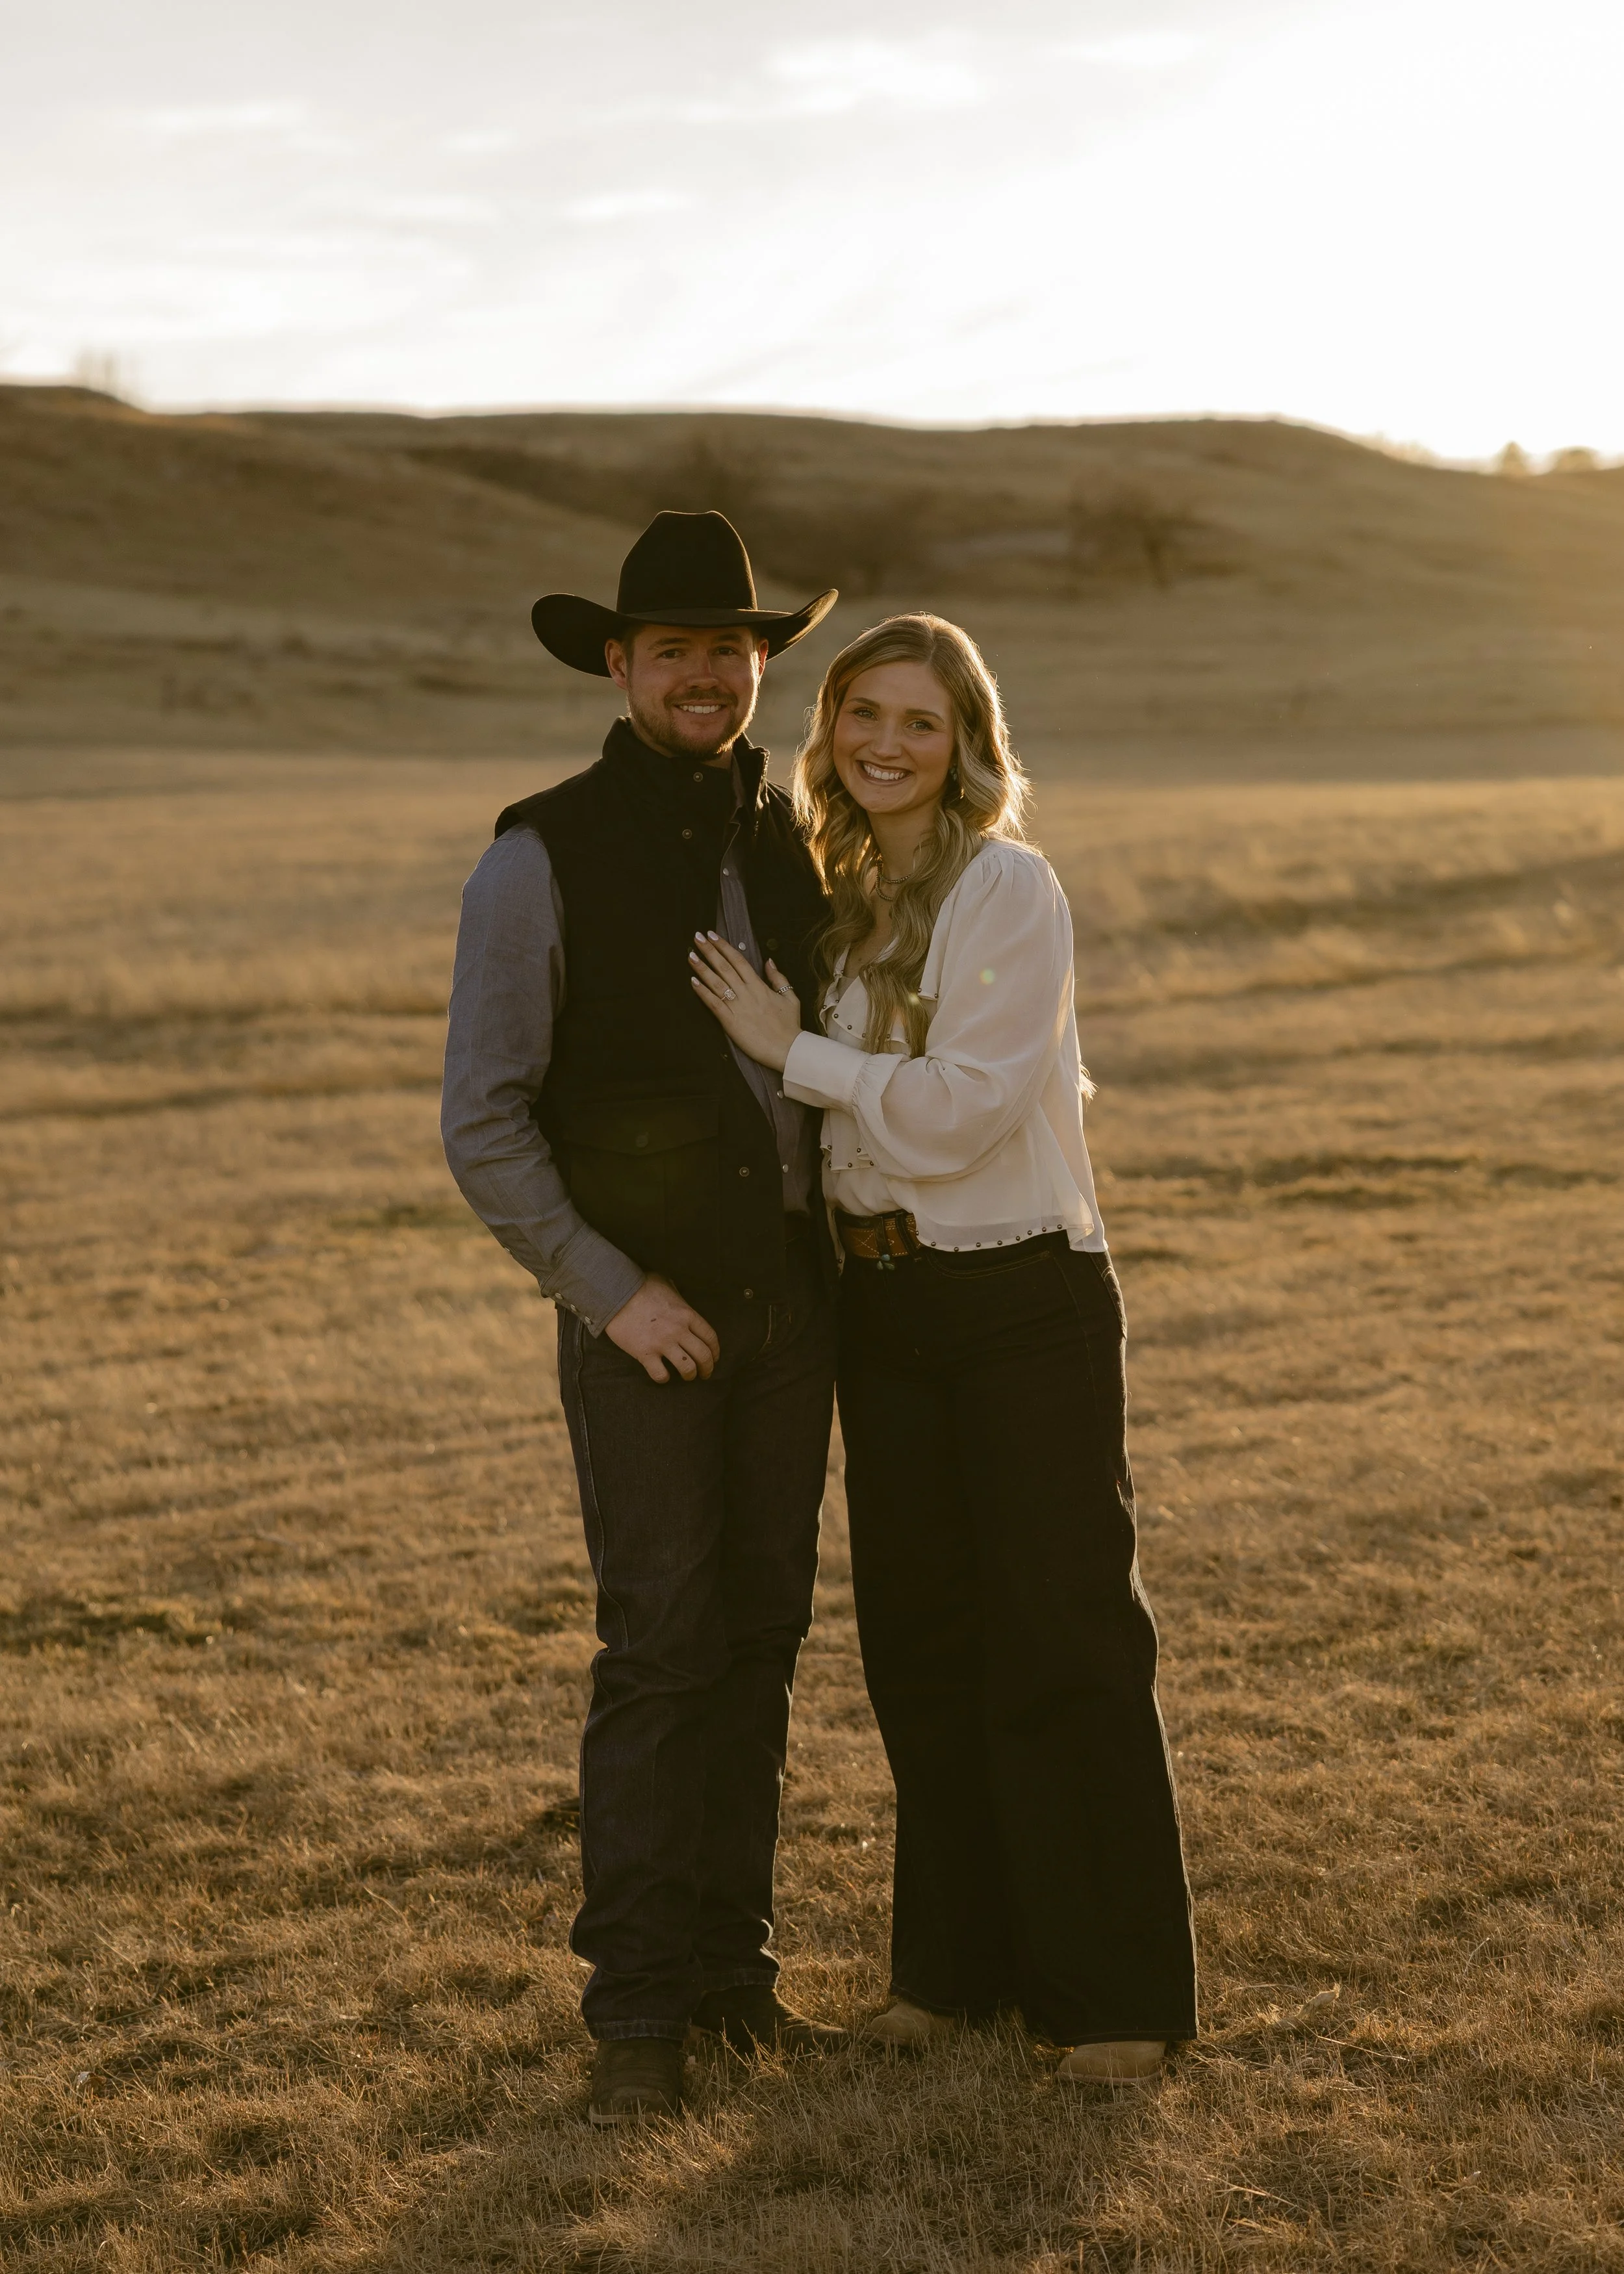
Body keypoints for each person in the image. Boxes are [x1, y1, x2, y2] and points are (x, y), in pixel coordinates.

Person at [690, 613, 1198, 2082]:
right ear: (829, 732)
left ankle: (1114, 2000)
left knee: (1063, 1635)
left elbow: (966, 1106)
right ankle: (951, 1976)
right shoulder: (834, 886)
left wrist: (801, 1052)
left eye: (919, 720)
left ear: (967, 741)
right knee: (921, 1645)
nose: (886, 744)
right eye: (862, 715)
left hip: (1021, 1296)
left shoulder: (1006, 887)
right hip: (883, 1309)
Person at [442, 510, 846, 2125]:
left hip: (792, 1314)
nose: (707, 672)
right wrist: (611, 1293)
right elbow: (485, 1121)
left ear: (761, 668)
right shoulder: (535, 853)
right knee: (663, 1649)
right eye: (674, 646)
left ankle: (734, 1980)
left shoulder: (786, 837)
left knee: (761, 1643)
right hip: (647, 1330)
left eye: (733, 648)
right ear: (615, 665)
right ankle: (635, 2017)